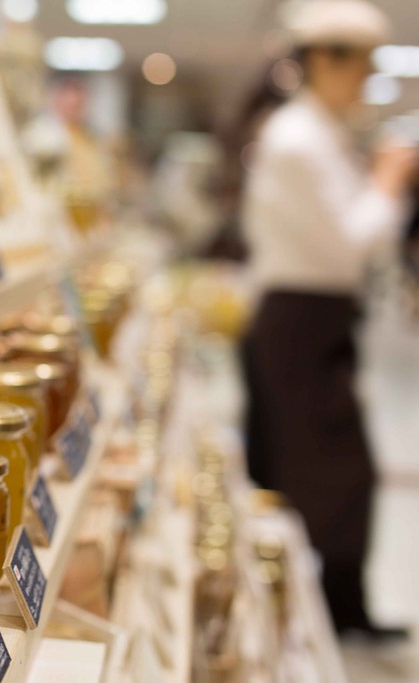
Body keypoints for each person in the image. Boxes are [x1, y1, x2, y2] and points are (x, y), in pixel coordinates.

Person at [240, 0, 416, 640]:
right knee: (328, 470)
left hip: (313, 319)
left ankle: (339, 606)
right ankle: (325, 609)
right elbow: (351, 243)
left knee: (331, 469)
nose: (366, 79)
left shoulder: (316, 133)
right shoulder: (299, 140)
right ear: (322, 61)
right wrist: (388, 181)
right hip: (300, 322)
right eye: (360, 65)